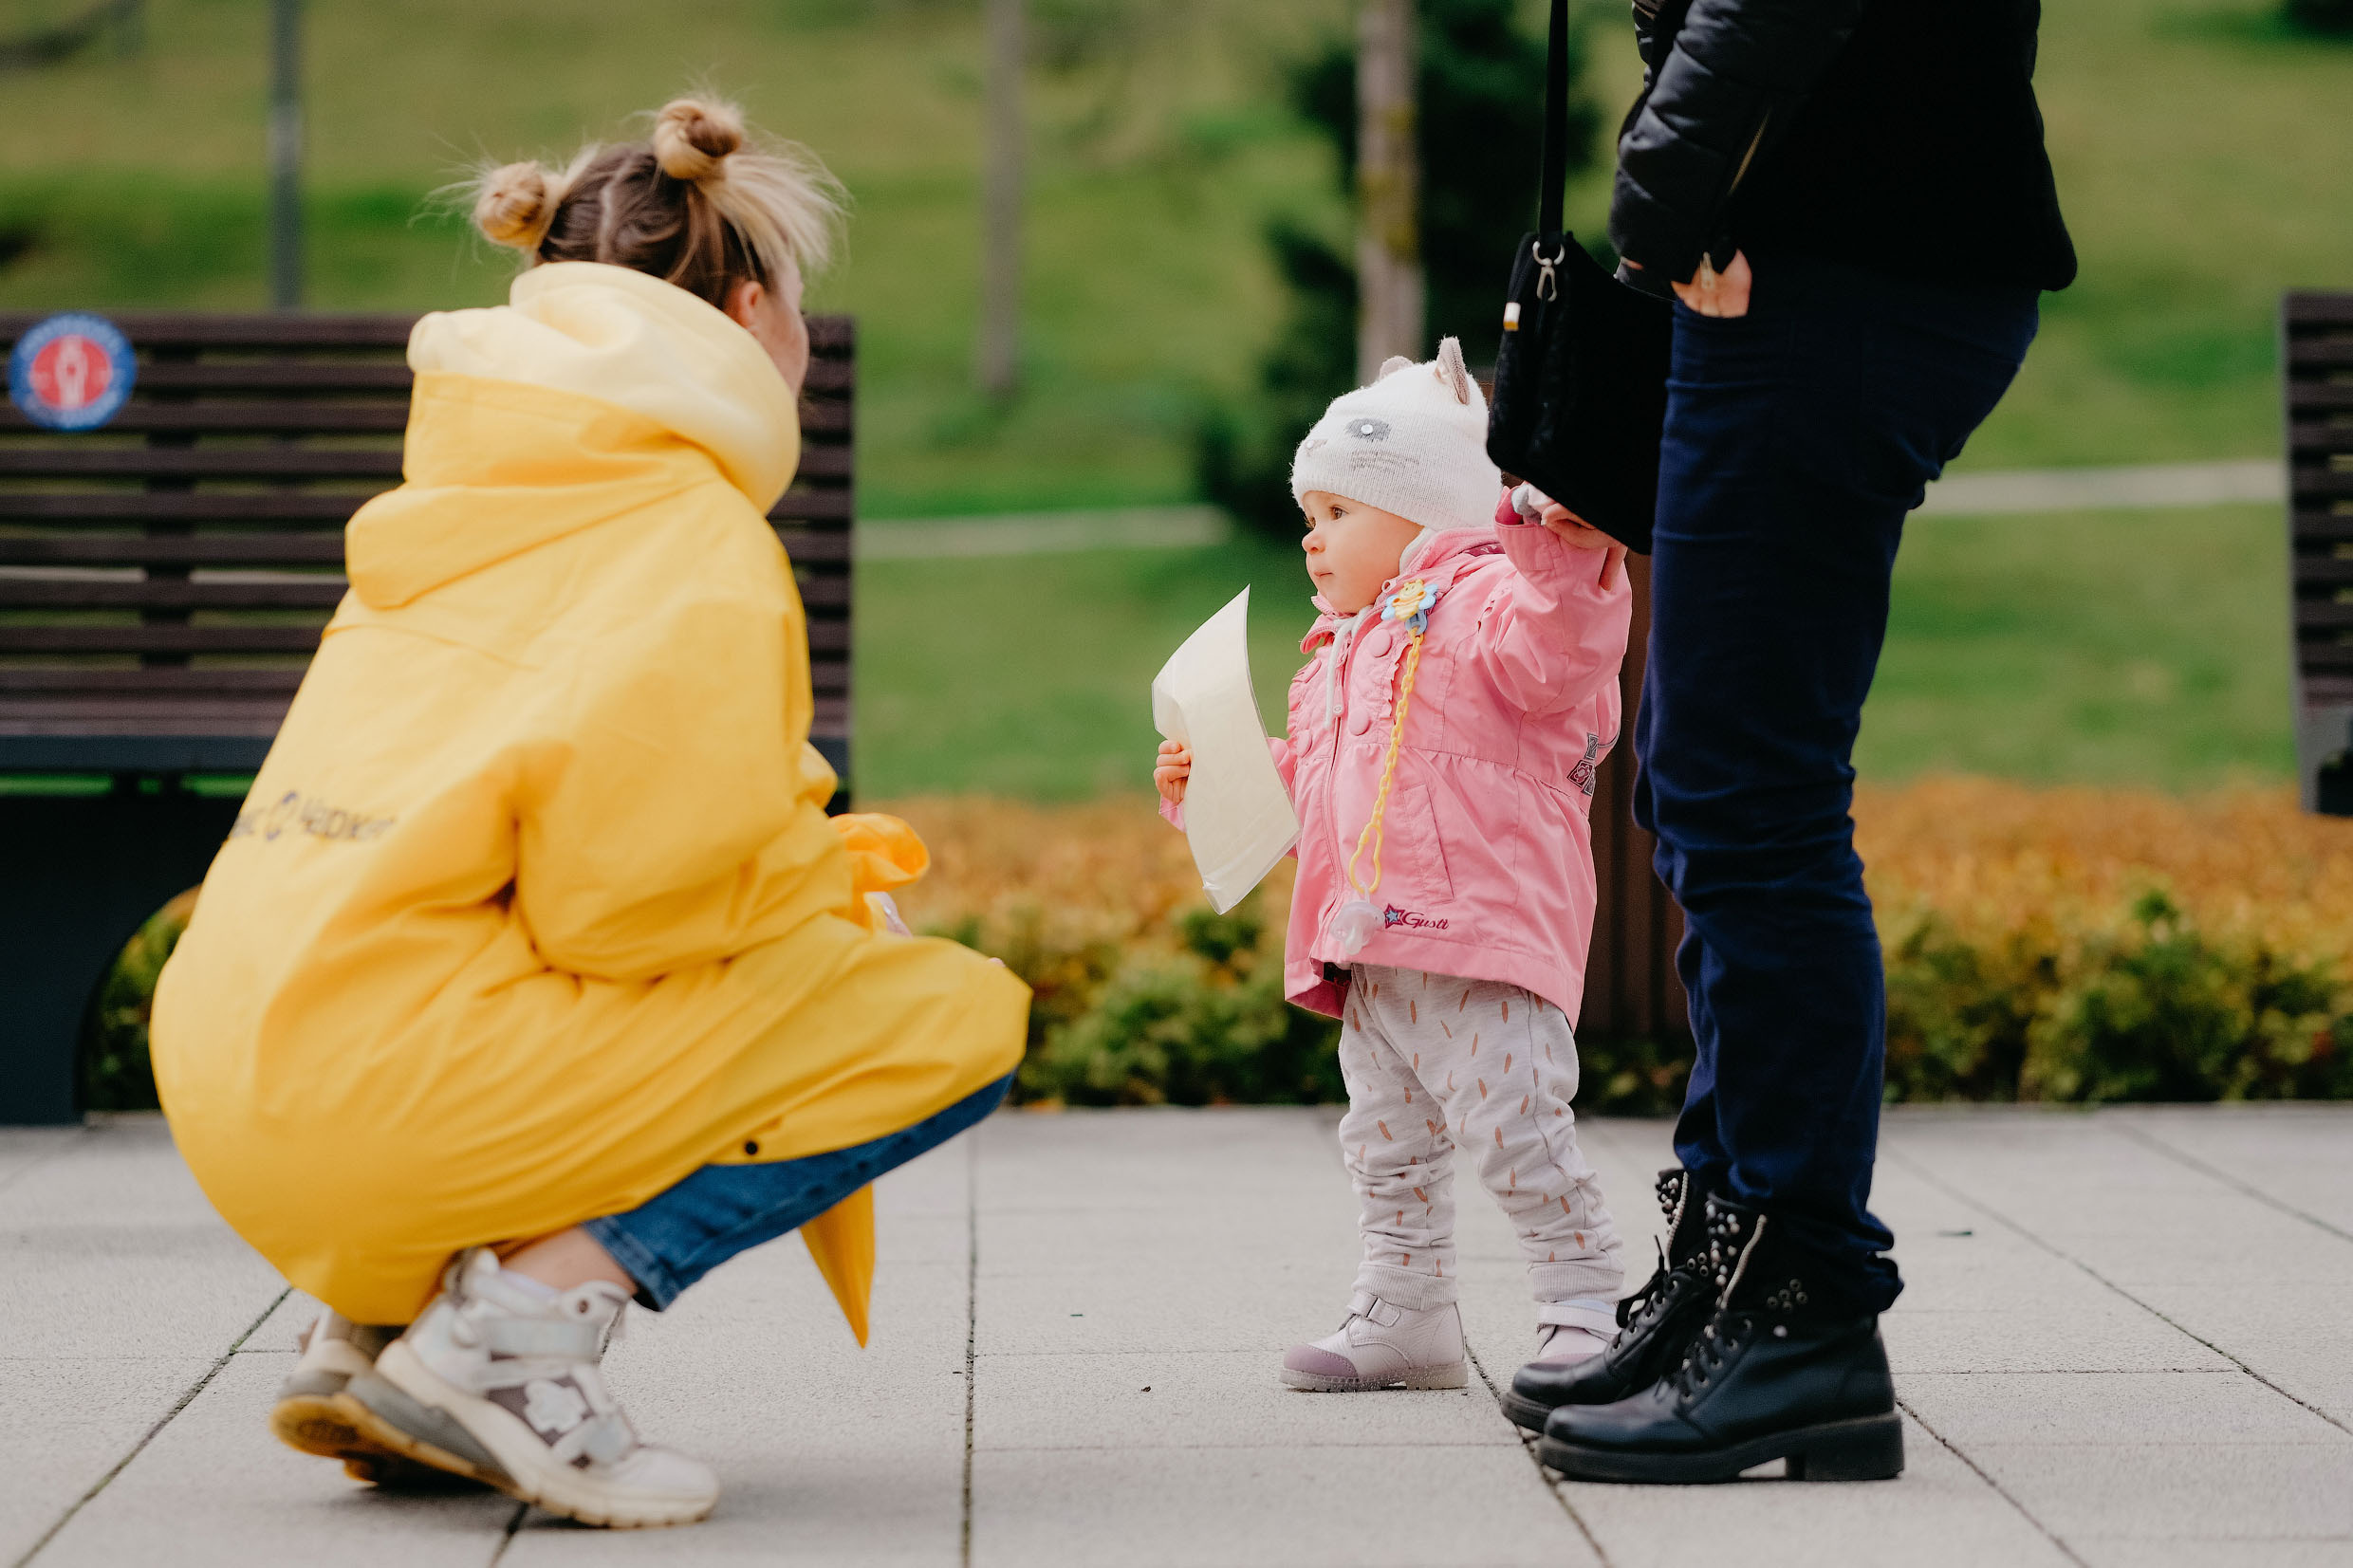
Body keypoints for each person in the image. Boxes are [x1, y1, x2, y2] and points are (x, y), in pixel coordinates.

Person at [150, 97, 1030, 1529]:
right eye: (800, 313)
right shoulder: (691, 541)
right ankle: (501, 1348)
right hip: (376, 1107)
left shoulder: (454, 505)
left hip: (239, 1078)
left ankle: (379, 1331)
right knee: (950, 1014)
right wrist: (825, 886)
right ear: (750, 316)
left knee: (596, 993)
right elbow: (627, 911)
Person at [1509, 0, 2075, 1485]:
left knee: (1750, 794)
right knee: (1707, 783)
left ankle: (1802, 1308)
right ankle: (1728, 1263)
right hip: (1827, 251)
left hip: (1841, 264)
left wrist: (1660, 199)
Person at [1156, 341, 1632, 1392]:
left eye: (1336, 514)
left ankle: (1582, 1299)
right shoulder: (1339, 647)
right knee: (1386, 1144)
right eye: (1308, 517)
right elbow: (1322, 787)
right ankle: (1405, 1310)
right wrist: (1221, 777)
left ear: (1426, 507)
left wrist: (1556, 556)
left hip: (1479, 934)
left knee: (1514, 1126)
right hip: (1373, 944)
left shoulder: (1488, 601)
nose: (1310, 537)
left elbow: (1560, 656)